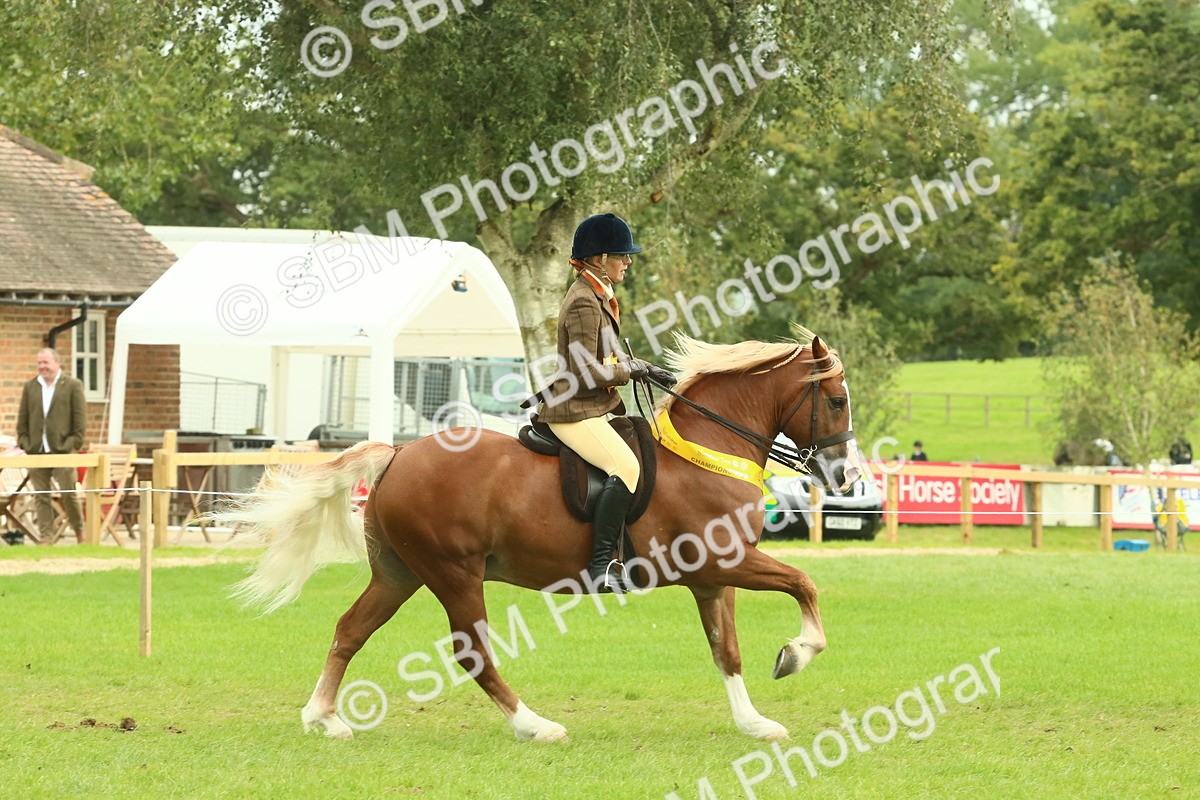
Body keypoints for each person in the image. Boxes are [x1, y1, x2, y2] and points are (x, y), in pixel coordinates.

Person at [535, 213, 671, 592]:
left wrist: (637, 367)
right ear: (598, 259)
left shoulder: (599, 295)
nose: (628, 261)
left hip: (596, 407)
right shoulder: (583, 301)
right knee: (626, 466)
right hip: (573, 409)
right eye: (621, 255)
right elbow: (584, 371)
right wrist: (633, 369)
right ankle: (601, 565)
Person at [16, 348, 87, 543]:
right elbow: (22, 421)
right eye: (39, 363)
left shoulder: (72, 385)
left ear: (57, 363)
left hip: (63, 450)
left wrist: (71, 443)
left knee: (69, 494)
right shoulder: (30, 387)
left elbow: (80, 422)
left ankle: (80, 533)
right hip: (37, 450)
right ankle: (46, 539)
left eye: (45, 362)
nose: (42, 367)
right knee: (41, 495)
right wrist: (26, 443)